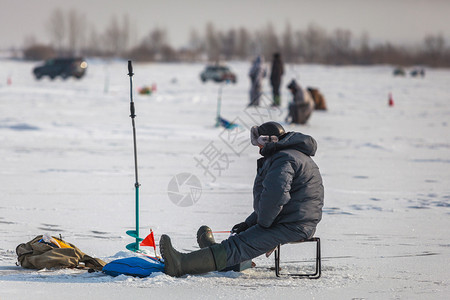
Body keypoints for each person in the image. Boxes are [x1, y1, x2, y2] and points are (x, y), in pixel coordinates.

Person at [160, 121, 324, 277]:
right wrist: (249, 223)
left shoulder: (284, 159)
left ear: (270, 140)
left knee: (239, 245)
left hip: (294, 225)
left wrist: (262, 225)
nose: (258, 146)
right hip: (293, 219)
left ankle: (180, 264)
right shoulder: (291, 155)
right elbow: (280, 202)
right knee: (241, 239)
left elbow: (275, 197)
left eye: (259, 141)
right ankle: (214, 254)